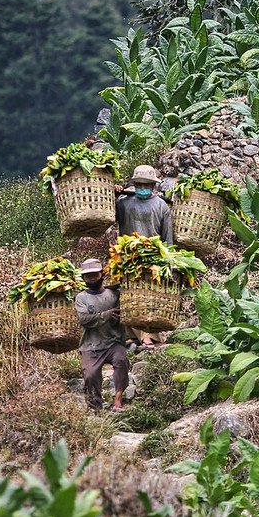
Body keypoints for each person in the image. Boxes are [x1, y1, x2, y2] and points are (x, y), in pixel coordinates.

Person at [115, 165, 173, 348]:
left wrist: (168, 259)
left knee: (149, 297)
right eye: (139, 184)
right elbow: (109, 215)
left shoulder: (161, 206)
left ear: (153, 187)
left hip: (153, 257)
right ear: (134, 184)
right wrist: (114, 194)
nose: (143, 187)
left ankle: (149, 337)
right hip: (128, 256)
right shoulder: (123, 203)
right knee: (128, 295)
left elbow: (167, 236)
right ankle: (130, 335)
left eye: (147, 184)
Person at [74, 258, 129, 412]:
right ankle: (95, 408)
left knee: (121, 360)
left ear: (102, 274)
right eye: (88, 276)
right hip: (91, 345)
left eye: (95, 275)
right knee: (90, 375)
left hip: (113, 342)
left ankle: (118, 399)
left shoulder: (114, 294)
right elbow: (84, 320)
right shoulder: (81, 298)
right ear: (83, 278)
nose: (92, 279)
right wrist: (106, 314)